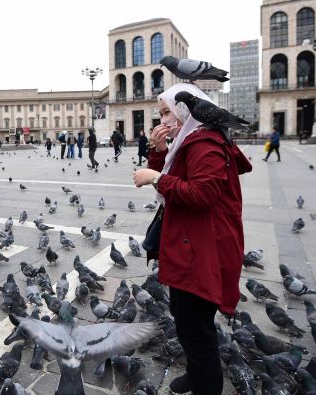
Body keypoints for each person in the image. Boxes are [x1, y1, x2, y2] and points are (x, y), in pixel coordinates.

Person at [133, 83, 251, 395]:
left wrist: (155, 175)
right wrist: (158, 155)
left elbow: (200, 194)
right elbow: (173, 186)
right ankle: (195, 375)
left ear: (185, 110)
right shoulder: (191, 140)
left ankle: (206, 385)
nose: (163, 121)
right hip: (190, 242)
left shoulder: (205, 144)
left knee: (198, 331)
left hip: (203, 248)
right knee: (186, 322)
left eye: (166, 113)